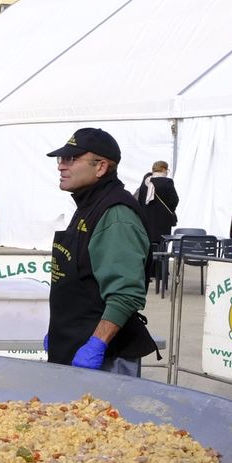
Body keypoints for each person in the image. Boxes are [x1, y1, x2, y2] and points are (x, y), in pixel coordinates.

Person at [44, 128, 155, 376]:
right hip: (71, 348)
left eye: (71, 159)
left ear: (101, 167)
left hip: (104, 360)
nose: (61, 166)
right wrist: (60, 331)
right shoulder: (88, 205)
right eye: (61, 159)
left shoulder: (116, 214)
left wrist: (97, 344)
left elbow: (126, 294)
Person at [134, 160, 179, 283]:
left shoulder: (145, 183)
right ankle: (160, 272)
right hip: (162, 222)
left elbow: (140, 201)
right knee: (162, 247)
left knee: (147, 246)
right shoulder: (167, 182)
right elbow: (174, 200)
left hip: (146, 221)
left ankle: (147, 272)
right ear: (163, 169)